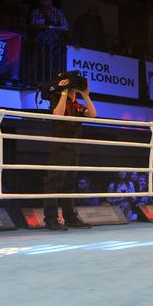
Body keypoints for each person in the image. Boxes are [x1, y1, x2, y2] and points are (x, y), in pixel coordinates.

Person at [43, 77, 97, 230]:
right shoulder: (58, 101)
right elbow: (58, 115)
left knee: (70, 183)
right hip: (59, 146)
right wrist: (63, 92)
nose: (75, 91)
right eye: (74, 89)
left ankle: (70, 218)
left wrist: (86, 95)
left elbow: (93, 114)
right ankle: (51, 219)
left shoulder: (77, 106)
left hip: (74, 147)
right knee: (53, 182)